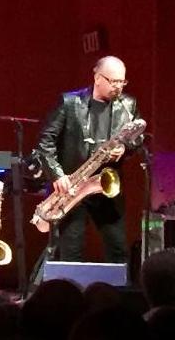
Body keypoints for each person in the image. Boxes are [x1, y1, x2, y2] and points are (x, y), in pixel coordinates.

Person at [33, 55, 141, 263]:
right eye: (113, 81)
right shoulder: (69, 102)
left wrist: (124, 148)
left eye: (122, 81)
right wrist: (57, 175)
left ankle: (115, 285)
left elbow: (137, 138)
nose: (118, 87)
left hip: (105, 185)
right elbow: (45, 141)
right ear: (97, 77)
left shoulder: (128, 104)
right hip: (72, 187)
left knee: (118, 249)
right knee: (71, 252)